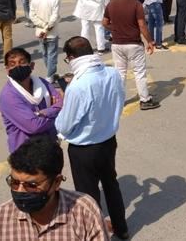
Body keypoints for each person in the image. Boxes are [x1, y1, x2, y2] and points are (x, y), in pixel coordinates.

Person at [55, 36, 130, 240]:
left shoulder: (78, 86)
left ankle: (96, 234)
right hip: (108, 141)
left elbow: (65, 125)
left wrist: (63, 101)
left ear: (71, 57)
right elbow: (119, 100)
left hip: (84, 149)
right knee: (111, 184)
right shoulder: (112, 73)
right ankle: (121, 228)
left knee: (88, 196)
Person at [0, 136, 108, 241]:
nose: (19, 190)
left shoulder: (85, 212)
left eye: (31, 185)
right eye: (14, 182)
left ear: (56, 182)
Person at [103, 0, 159, 111]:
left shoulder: (111, 5)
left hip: (117, 44)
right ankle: (145, 99)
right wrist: (150, 41)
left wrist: (116, 29)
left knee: (120, 73)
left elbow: (104, 23)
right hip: (133, 44)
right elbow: (142, 26)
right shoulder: (136, 5)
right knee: (139, 73)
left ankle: (119, 101)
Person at [0, 48, 63, 152]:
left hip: (50, 145)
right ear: (7, 69)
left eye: (22, 62)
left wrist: (43, 113)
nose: (17, 66)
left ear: (31, 66)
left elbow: (62, 103)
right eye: (12, 64)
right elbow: (33, 126)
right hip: (25, 153)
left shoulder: (41, 83)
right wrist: (57, 115)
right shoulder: (8, 96)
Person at [29, 0, 61, 79]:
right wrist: (46, 27)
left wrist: (42, 26)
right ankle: (50, 76)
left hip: (39, 32)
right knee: (52, 54)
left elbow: (32, 16)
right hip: (52, 32)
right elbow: (54, 17)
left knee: (45, 54)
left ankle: (50, 73)